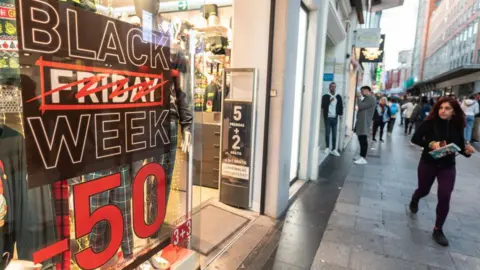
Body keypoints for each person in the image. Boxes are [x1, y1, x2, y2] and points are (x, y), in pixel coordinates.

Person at [409, 97, 476, 247]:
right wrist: (431, 144)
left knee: (445, 195)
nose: (443, 111)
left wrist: (467, 151)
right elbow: (415, 139)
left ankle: (438, 229)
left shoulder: (457, 125)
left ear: (453, 112)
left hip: (447, 165)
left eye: (447, 108)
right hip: (428, 162)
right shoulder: (429, 123)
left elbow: (458, 146)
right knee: (424, 190)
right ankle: (416, 197)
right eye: (440, 108)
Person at [354, 86, 376, 165]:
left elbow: (361, 106)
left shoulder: (370, 98)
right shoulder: (368, 98)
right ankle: (361, 156)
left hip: (364, 122)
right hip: (362, 121)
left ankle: (363, 157)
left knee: (363, 139)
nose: (361, 93)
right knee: (361, 138)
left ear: (367, 90)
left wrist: (358, 98)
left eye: (362, 91)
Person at [321, 82, 344, 156]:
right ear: (329, 87)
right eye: (331, 87)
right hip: (327, 118)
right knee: (327, 133)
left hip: (335, 118)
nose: (333, 88)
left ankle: (334, 149)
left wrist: (340, 115)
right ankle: (327, 147)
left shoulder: (338, 96)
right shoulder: (325, 96)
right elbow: (323, 105)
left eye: (334, 87)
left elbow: (341, 106)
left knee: (334, 134)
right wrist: (329, 101)